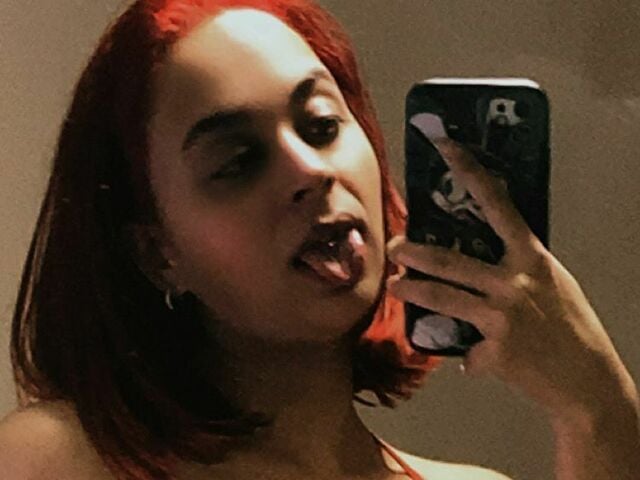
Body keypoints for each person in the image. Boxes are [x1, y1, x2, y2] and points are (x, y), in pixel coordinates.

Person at [0, 1, 638, 479]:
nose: (310, 170)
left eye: (322, 124)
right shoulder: (60, 460)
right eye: (238, 161)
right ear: (157, 253)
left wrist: (597, 408)